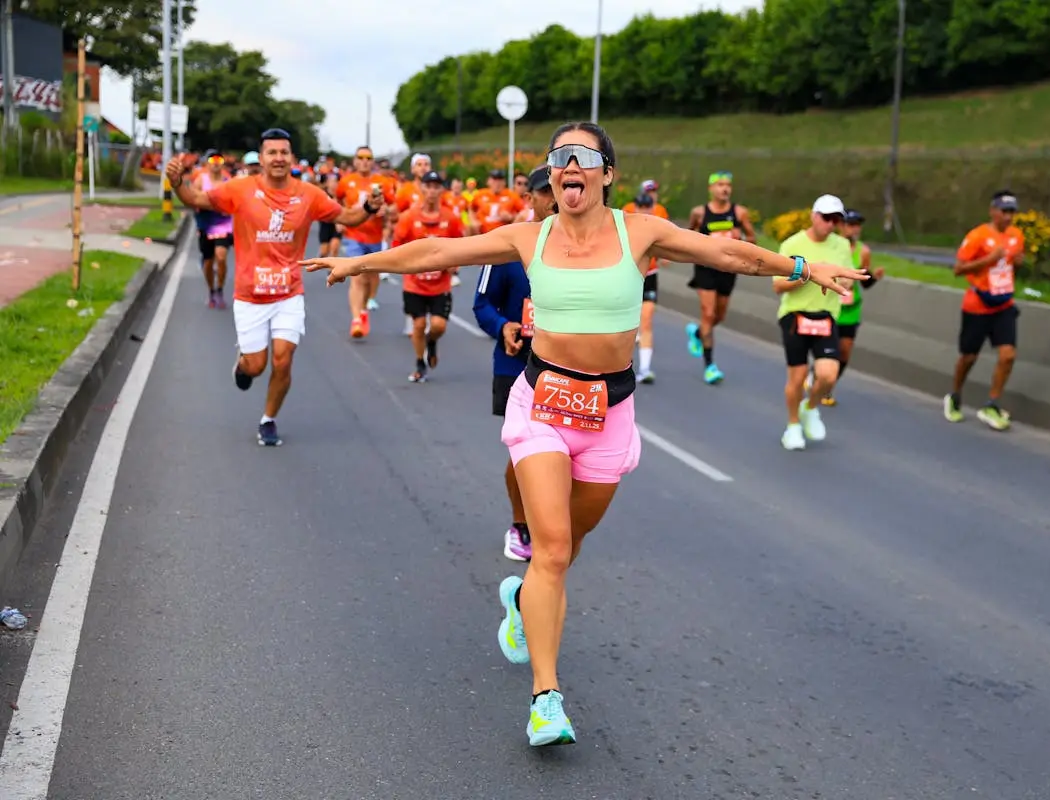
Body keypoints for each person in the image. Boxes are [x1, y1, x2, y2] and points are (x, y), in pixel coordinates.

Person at [301, 121, 865, 748]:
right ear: (553, 173)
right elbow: (438, 252)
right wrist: (361, 261)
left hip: (609, 413)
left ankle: (523, 603)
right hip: (542, 404)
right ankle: (546, 699)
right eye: (560, 156)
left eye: (584, 156)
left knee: (567, 547)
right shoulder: (527, 236)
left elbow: (726, 252)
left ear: (607, 173)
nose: (570, 165)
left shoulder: (639, 232)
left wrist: (802, 266)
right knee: (550, 551)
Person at [165, 127, 381, 446]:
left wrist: (370, 208)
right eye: (272, 152)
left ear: (291, 157)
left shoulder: (309, 194)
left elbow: (348, 217)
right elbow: (196, 198)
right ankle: (243, 364)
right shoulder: (240, 189)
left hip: (288, 293)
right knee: (256, 365)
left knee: (283, 359)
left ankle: (268, 419)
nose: (278, 158)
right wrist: (176, 182)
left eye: (283, 152)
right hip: (250, 295)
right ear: (262, 158)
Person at [473, 164, 555, 563]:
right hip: (516, 364)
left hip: (566, 369)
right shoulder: (507, 245)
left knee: (562, 453)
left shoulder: (586, 248)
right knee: (525, 450)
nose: (555, 199)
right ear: (529, 198)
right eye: (545, 191)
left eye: (560, 189)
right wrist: (503, 326)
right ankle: (521, 524)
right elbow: (482, 304)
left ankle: (552, 522)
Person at [775, 195, 854, 451]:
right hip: (795, 314)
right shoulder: (792, 244)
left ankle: (810, 408)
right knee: (797, 377)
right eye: (826, 218)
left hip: (826, 315)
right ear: (813, 216)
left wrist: (844, 281)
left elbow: (848, 278)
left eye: (836, 220)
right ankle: (793, 426)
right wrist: (810, 274)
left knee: (828, 375)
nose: (830, 224)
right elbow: (778, 285)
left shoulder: (842, 245)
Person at [944, 190, 1025, 431]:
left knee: (1008, 355)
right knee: (969, 357)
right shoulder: (978, 235)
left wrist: (1017, 264)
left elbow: (1011, 267)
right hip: (977, 305)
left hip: (1004, 305)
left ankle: (992, 404)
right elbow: (958, 269)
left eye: (1012, 212)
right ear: (993, 211)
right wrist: (989, 260)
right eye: (1004, 211)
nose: (1008, 217)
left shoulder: (1016, 236)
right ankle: (955, 395)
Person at [393, 171, 465, 383]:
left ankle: (431, 341)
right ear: (422, 188)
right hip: (414, 283)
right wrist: (405, 264)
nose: (432, 191)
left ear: (442, 190)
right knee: (417, 325)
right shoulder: (408, 217)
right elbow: (396, 246)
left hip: (440, 285)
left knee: (438, 326)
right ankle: (419, 363)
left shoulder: (450, 218)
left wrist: (454, 264)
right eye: (428, 186)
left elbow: (461, 246)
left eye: (436, 186)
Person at [686, 171, 757, 384]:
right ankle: (709, 366)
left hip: (728, 270)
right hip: (705, 268)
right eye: (720, 185)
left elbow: (752, 239)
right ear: (711, 189)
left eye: (728, 185)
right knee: (708, 313)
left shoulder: (740, 213)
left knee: (719, 315)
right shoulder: (699, 213)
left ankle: (698, 333)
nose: (724, 189)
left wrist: (740, 237)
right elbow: (688, 237)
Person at [337, 146, 397, 338]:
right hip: (354, 235)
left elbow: (393, 205)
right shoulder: (346, 182)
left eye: (368, 158)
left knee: (371, 276)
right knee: (357, 276)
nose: (364, 161)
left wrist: (386, 210)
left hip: (375, 236)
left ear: (372, 161)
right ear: (355, 160)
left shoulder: (382, 182)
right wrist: (340, 219)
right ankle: (356, 319)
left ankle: (364, 308)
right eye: (361, 157)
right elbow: (337, 201)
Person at [826, 208, 883, 405]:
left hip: (851, 310)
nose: (855, 229)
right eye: (851, 225)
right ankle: (818, 377)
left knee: (844, 352)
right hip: (829, 306)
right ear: (841, 226)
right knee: (827, 350)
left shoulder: (863, 251)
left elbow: (865, 283)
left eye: (857, 225)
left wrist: (874, 277)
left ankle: (828, 387)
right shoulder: (829, 247)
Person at [190, 149, 234, 309]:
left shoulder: (228, 181)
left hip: (223, 224)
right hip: (206, 224)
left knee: (221, 257)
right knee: (208, 262)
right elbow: (193, 199)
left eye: (219, 160)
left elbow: (234, 201)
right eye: (212, 160)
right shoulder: (200, 180)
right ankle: (211, 290)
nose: (215, 164)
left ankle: (220, 289)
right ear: (207, 164)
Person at [632, 192, 665, 383]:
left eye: (648, 207)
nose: (644, 211)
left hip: (650, 276)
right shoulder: (627, 225)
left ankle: (645, 369)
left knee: (646, 321)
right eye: (641, 207)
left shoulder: (658, 227)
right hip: (629, 277)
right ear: (635, 207)